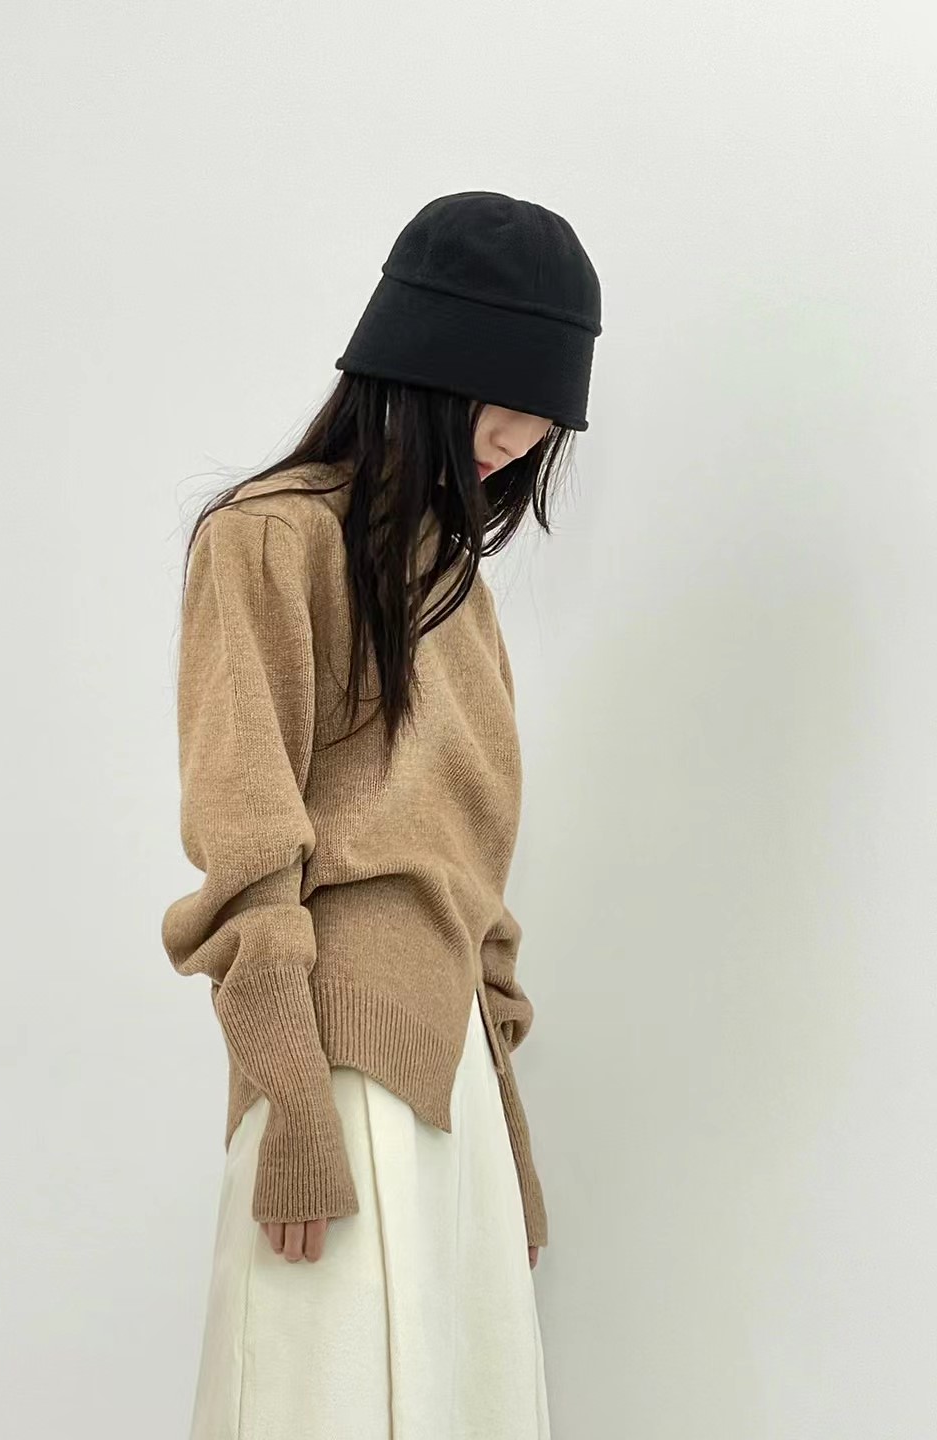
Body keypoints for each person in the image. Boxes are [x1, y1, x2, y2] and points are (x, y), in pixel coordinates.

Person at [160, 190, 602, 1440]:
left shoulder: (457, 590)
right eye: (501, 402)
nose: (519, 439)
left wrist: (507, 1137)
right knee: (316, 1402)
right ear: (421, 363)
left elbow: (475, 887)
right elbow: (246, 841)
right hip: (335, 1064)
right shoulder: (267, 540)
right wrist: (292, 1098)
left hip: (452, 1077)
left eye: (543, 421)